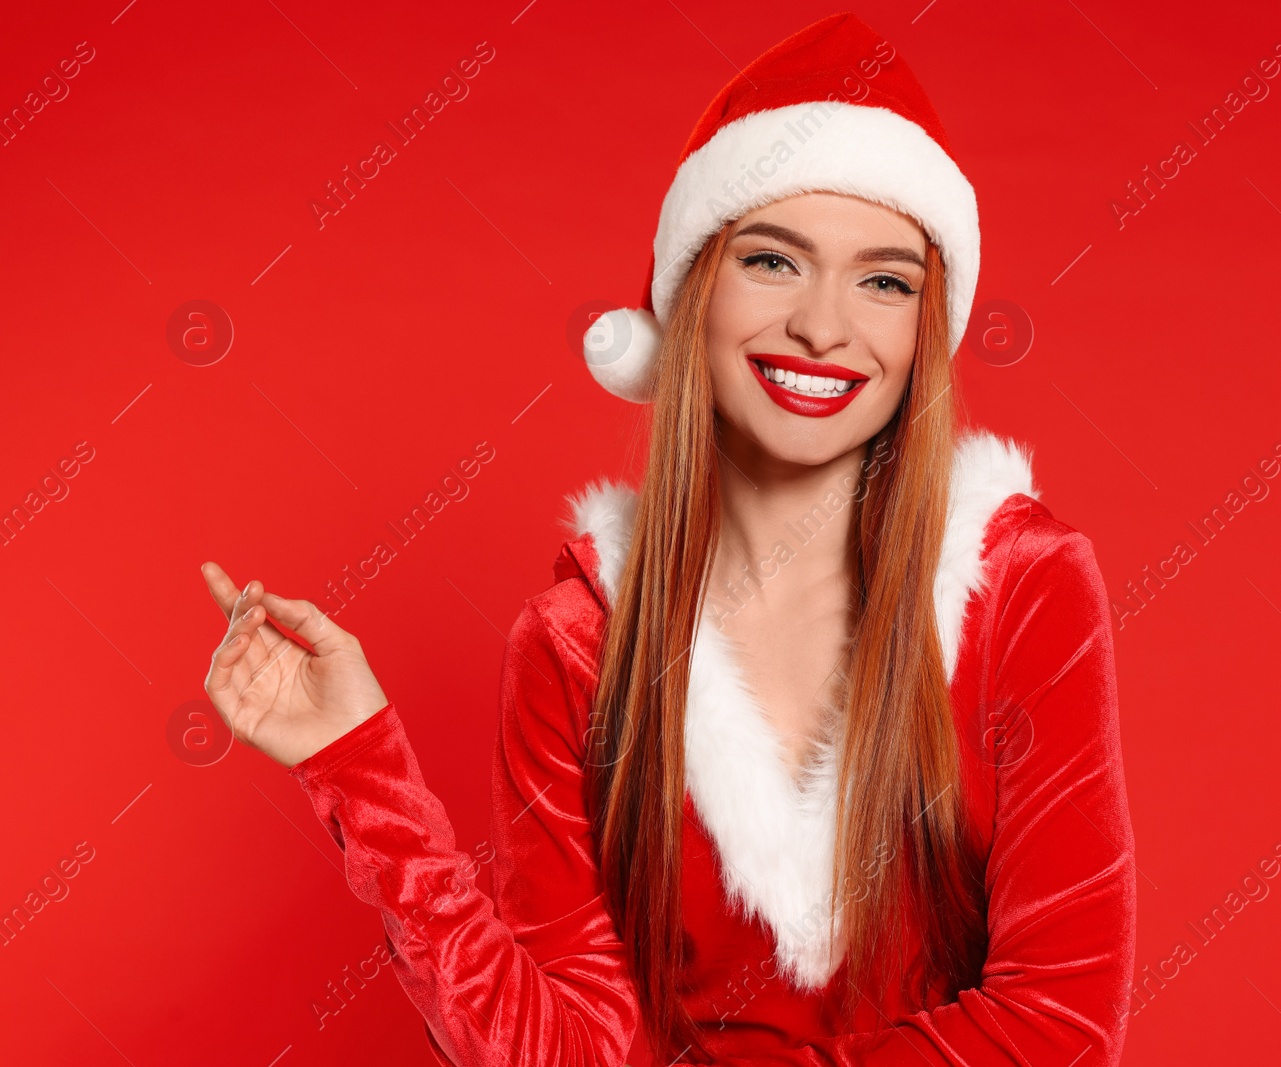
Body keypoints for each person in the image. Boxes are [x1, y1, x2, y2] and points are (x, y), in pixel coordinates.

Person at [199, 11, 1136, 1066]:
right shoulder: (573, 641)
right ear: (692, 295)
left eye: (884, 279)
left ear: (927, 328)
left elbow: (1057, 1023)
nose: (825, 327)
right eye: (774, 261)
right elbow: (558, 1048)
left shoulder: (1024, 586)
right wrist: (357, 767)